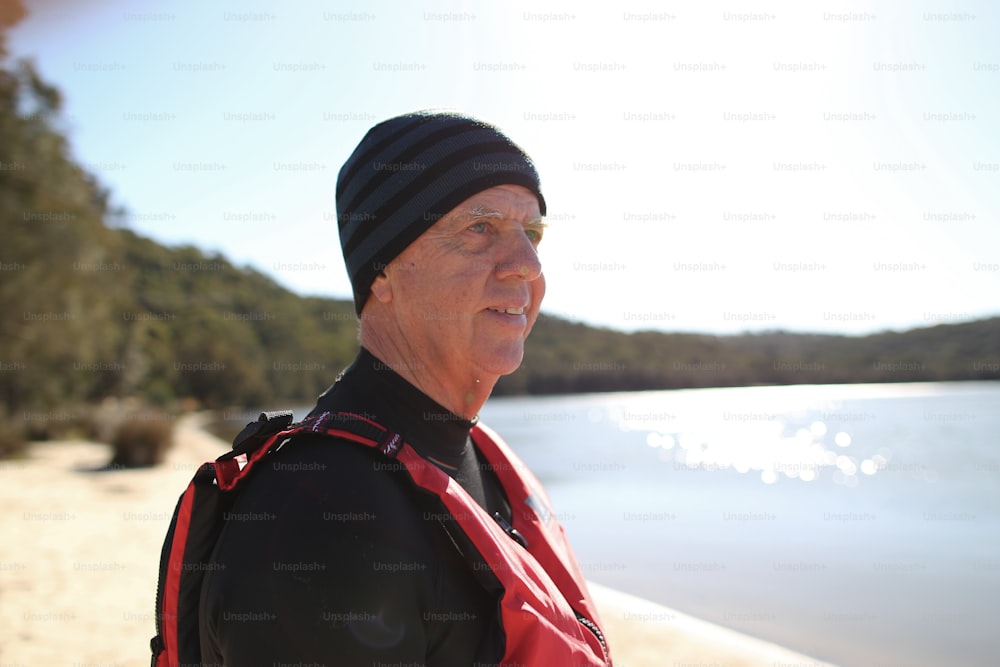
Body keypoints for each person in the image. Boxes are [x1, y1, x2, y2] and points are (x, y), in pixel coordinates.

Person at [198, 111, 611, 666]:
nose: (527, 265)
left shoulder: (480, 458)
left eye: (531, 233)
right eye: (480, 228)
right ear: (381, 273)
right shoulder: (327, 520)